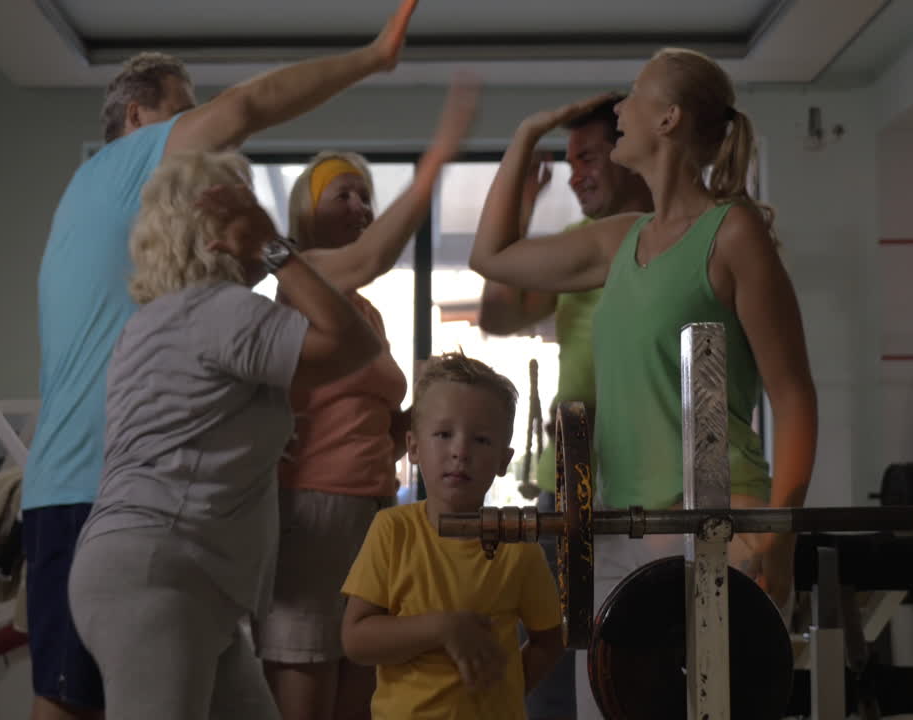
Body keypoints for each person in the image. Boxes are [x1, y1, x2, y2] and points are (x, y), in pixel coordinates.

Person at [22, 2, 421, 717]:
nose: (198, 130)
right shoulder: (124, 167)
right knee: (66, 707)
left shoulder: (168, 289)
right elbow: (253, 105)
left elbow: (325, 287)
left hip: (149, 533)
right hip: (109, 504)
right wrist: (373, 58)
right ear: (140, 118)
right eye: (184, 113)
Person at [466, 48, 818, 718]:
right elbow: (492, 256)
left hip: (724, 517)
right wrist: (523, 135)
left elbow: (794, 393)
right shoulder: (617, 242)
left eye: (632, 95)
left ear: (668, 118)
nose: (618, 110)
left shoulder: (733, 232)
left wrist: (782, 529)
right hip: (621, 523)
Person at [67, 151, 382, 719]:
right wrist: (275, 250)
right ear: (214, 236)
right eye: (248, 214)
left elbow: (190, 426)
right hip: (161, 579)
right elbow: (354, 346)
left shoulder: (156, 322)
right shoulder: (223, 311)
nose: (266, 223)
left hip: (177, 581)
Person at [255, 80, 478, 720]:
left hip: (372, 502)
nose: (359, 205)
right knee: (306, 662)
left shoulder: (365, 312)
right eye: (343, 193)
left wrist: (433, 412)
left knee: (361, 671)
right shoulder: (302, 288)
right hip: (314, 503)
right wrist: (441, 152)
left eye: (365, 196)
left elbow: (368, 415)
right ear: (306, 212)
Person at [475, 94, 651, 720]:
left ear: (630, 153)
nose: (576, 174)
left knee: (635, 655)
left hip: (651, 482)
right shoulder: (579, 245)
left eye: (590, 157)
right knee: (553, 657)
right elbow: (496, 313)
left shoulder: (674, 244)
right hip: (568, 480)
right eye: (570, 162)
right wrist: (521, 207)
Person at [339, 352, 566, 720]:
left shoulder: (519, 548)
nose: (460, 451)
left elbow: (549, 641)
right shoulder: (392, 531)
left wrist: (503, 690)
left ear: (504, 460)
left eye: (480, 440)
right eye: (444, 434)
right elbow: (356, 640)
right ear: (413, 447)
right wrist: (442, 628)